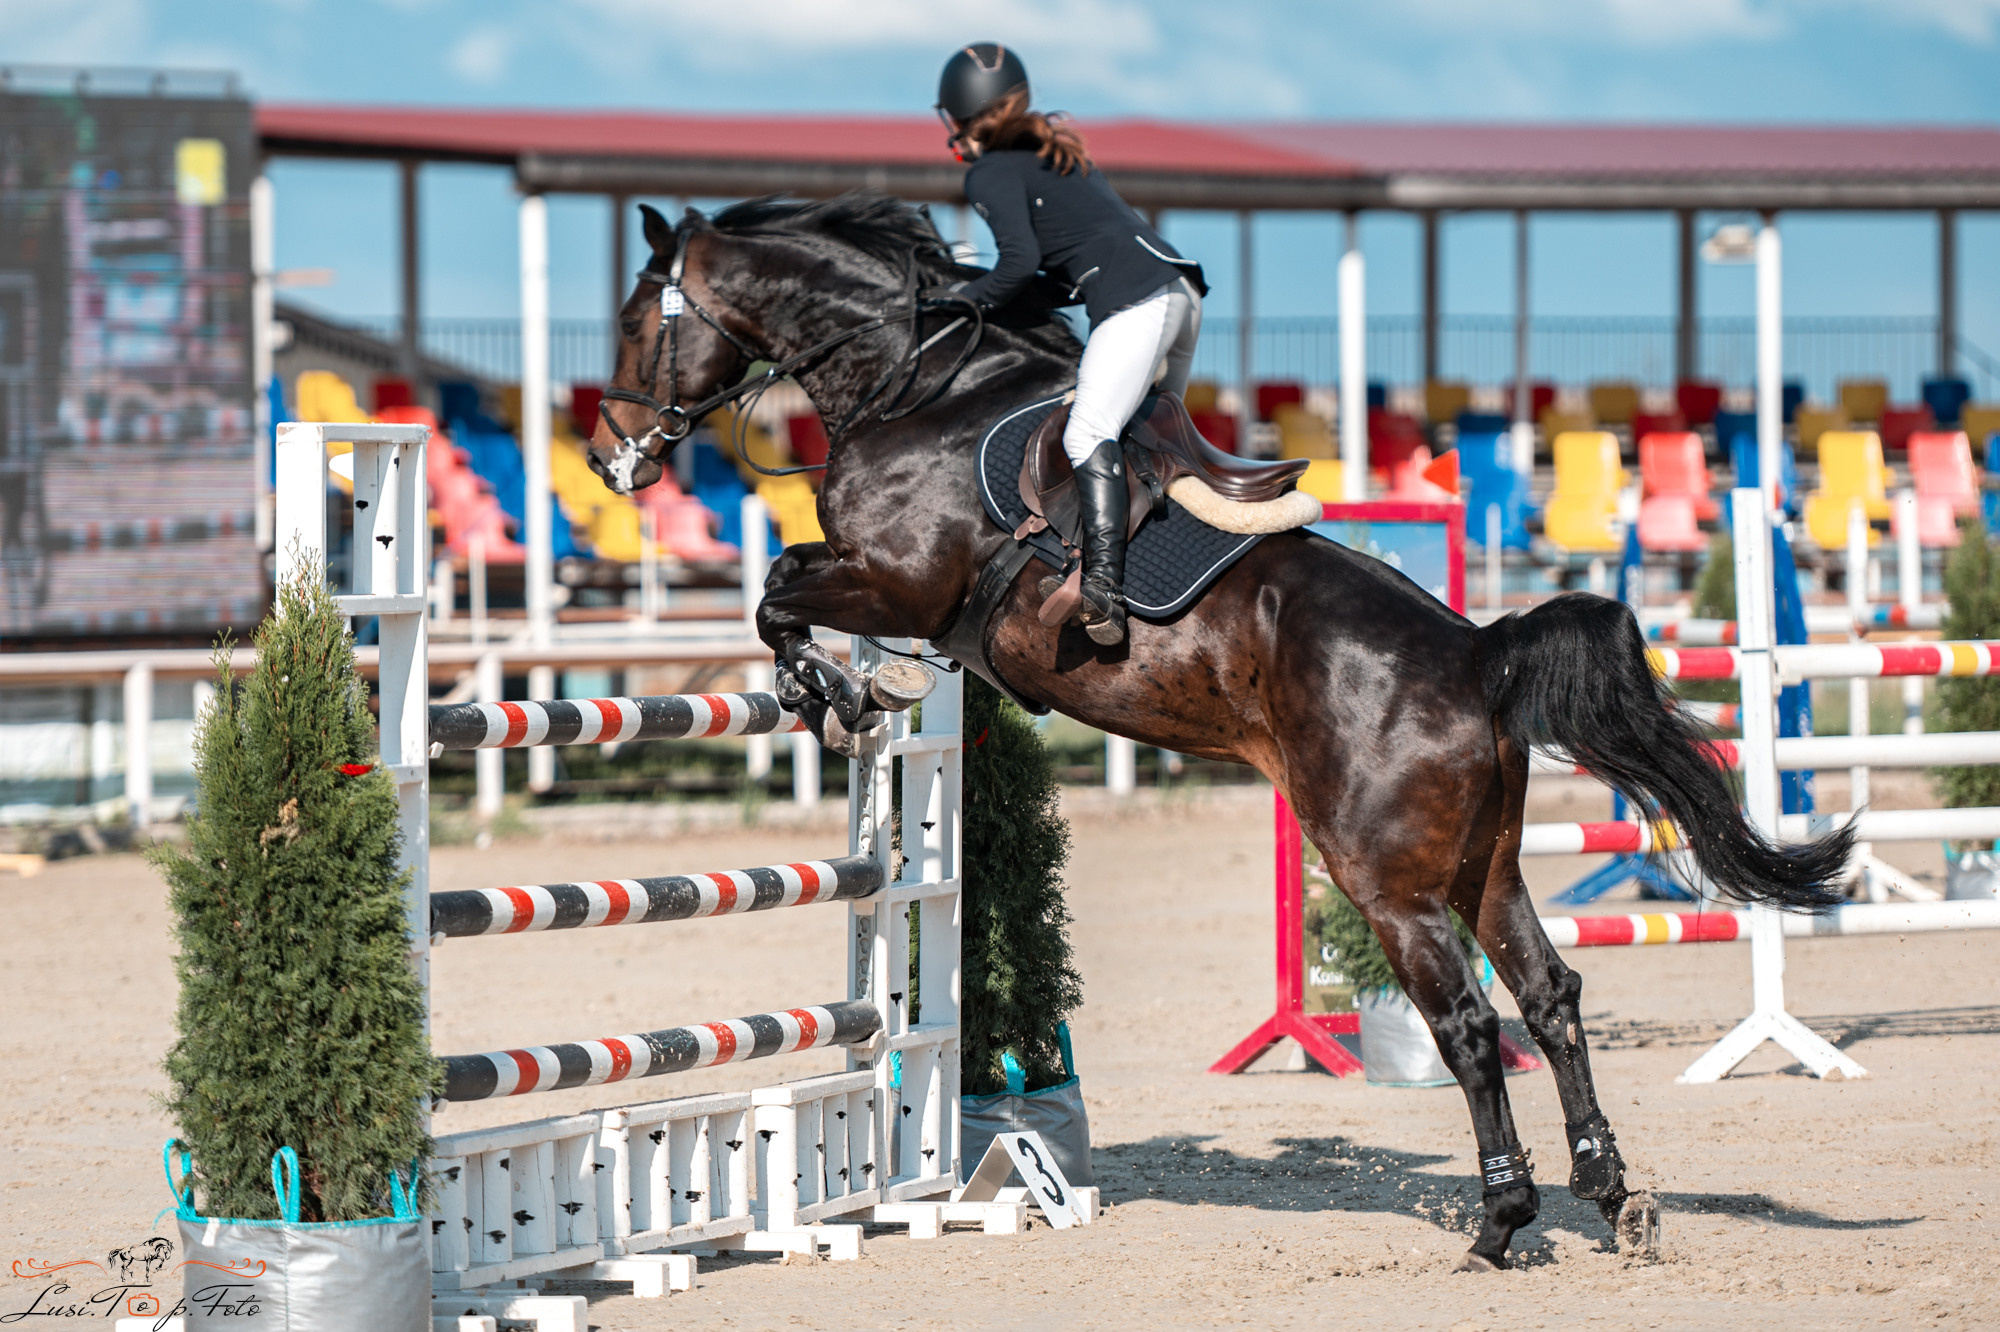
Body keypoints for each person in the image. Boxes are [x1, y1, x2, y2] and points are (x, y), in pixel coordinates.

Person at [937, 42, 1207, 647]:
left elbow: (1017, 265)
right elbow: (1055, 277)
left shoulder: (991, 170)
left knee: (1088, 433)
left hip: (1139, 302)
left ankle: (1104, 591)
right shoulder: (1050, 153)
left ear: (956, 115)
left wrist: (958, 304)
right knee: (1141, 438)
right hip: (1181, 292)